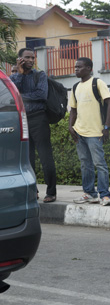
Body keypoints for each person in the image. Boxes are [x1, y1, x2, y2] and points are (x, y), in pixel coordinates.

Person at [10, 48, 57, 203]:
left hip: (39, 119)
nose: (31, 60)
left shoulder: (40, 75)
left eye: (32, 57)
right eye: (27, 58)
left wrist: (21, 97)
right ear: (19, 59)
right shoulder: (15, 77)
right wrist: (21, 74)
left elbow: (41, 95)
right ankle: (32, 191)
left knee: (45, 156)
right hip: (22, 120)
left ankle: (51, 192)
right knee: (27, 159)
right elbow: (12, 94)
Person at [68, 57, 110, 206]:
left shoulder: (97, 83)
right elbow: (73, 110)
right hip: (79, 132)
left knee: (100, 164)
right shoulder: (75, 87)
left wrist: (106, 127)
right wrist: (71, 127)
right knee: (85, 164)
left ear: (89, 68)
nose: (76, 69)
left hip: (95, 132)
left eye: (79, 67)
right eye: (75, 67)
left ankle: (105, 195)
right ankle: (89, 193)